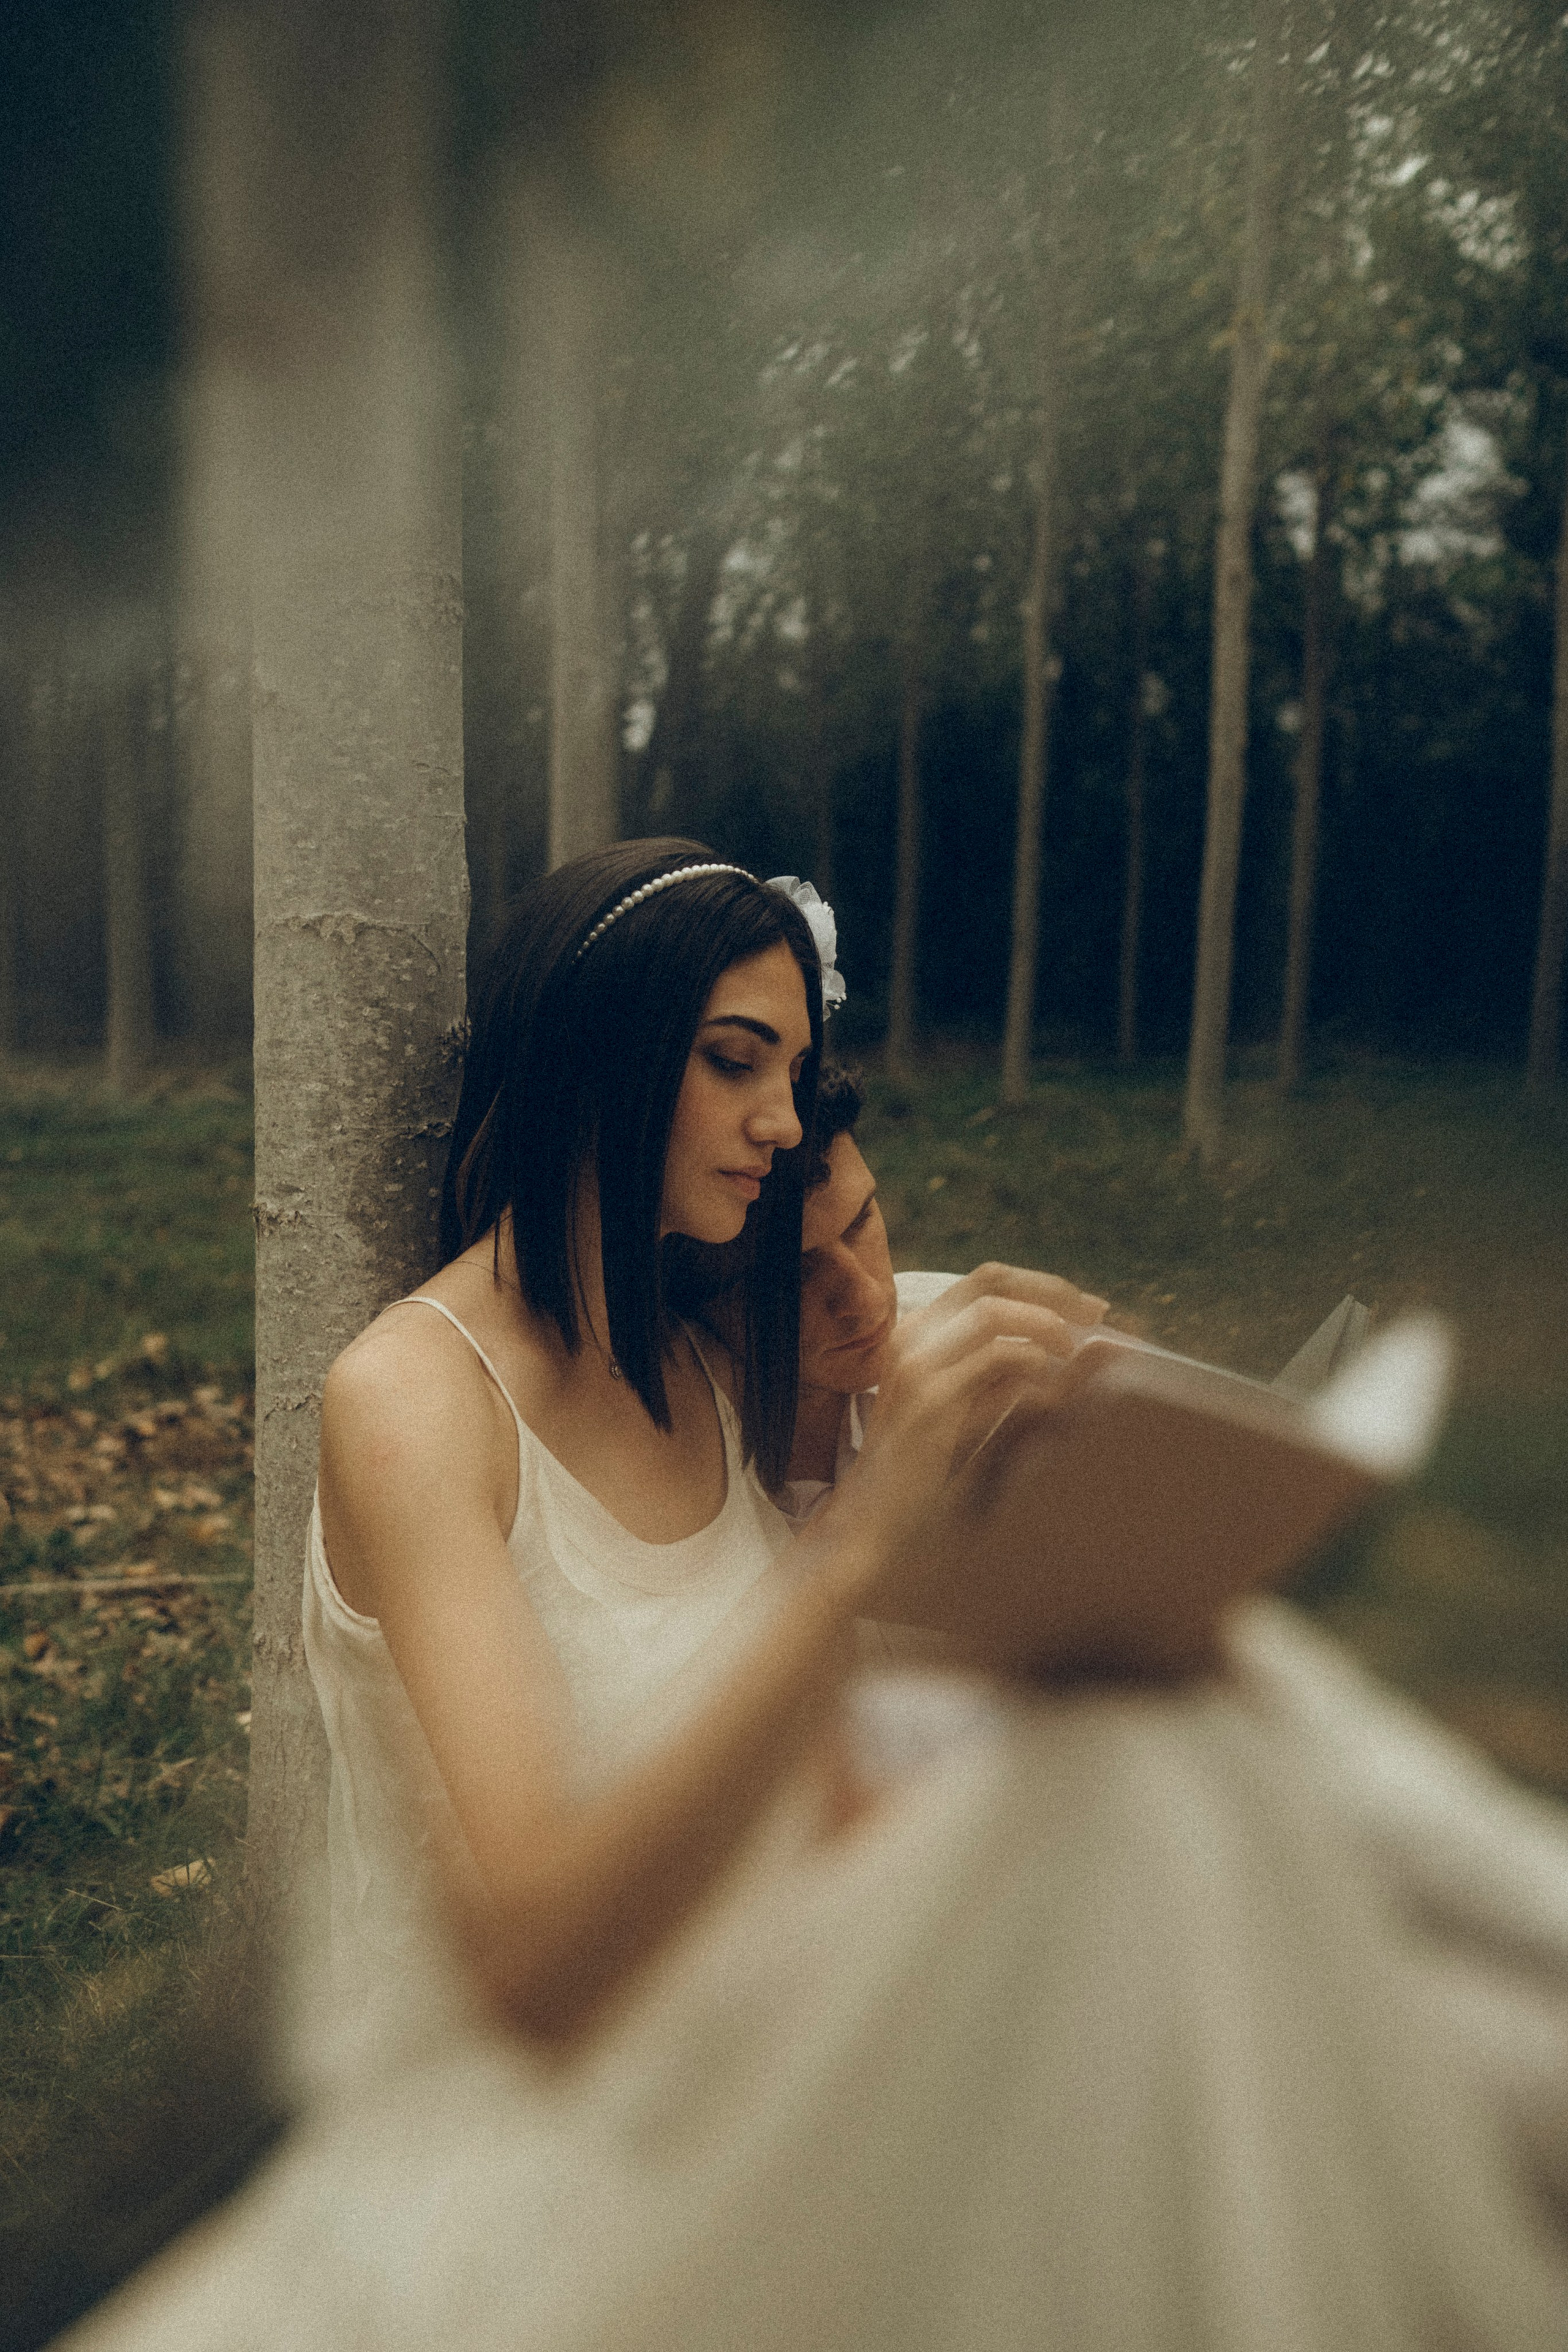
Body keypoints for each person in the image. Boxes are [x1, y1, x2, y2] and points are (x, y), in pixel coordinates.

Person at [64, 842, 1568, 2352]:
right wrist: (862, 1553)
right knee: (1147, 1806)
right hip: (563, 2112)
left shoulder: (700, 1358)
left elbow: (818, 1761)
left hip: (765, 2006)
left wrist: (1065, 1558)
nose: (777, 1121)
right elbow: (531, 1968)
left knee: (1196, 1751)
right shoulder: (411, 1399)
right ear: (604, 1047)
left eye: (788, 1066)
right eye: (734, 1064)